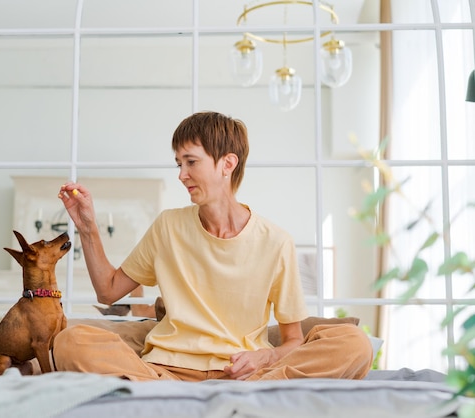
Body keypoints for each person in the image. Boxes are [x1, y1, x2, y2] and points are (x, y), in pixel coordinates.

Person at [54, 111, 372, 381]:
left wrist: (264, 358)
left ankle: (237, 393)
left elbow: (292, 341)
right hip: (166, 372)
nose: (181, 174)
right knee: (71, 342)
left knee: (354, 343)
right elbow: (108, 291)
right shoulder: (168, 226)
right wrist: (87, 227)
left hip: (244, 376)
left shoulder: (275, 242)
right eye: (178, 163)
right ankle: (176, 394)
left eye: (191, 162)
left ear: (227, 164)